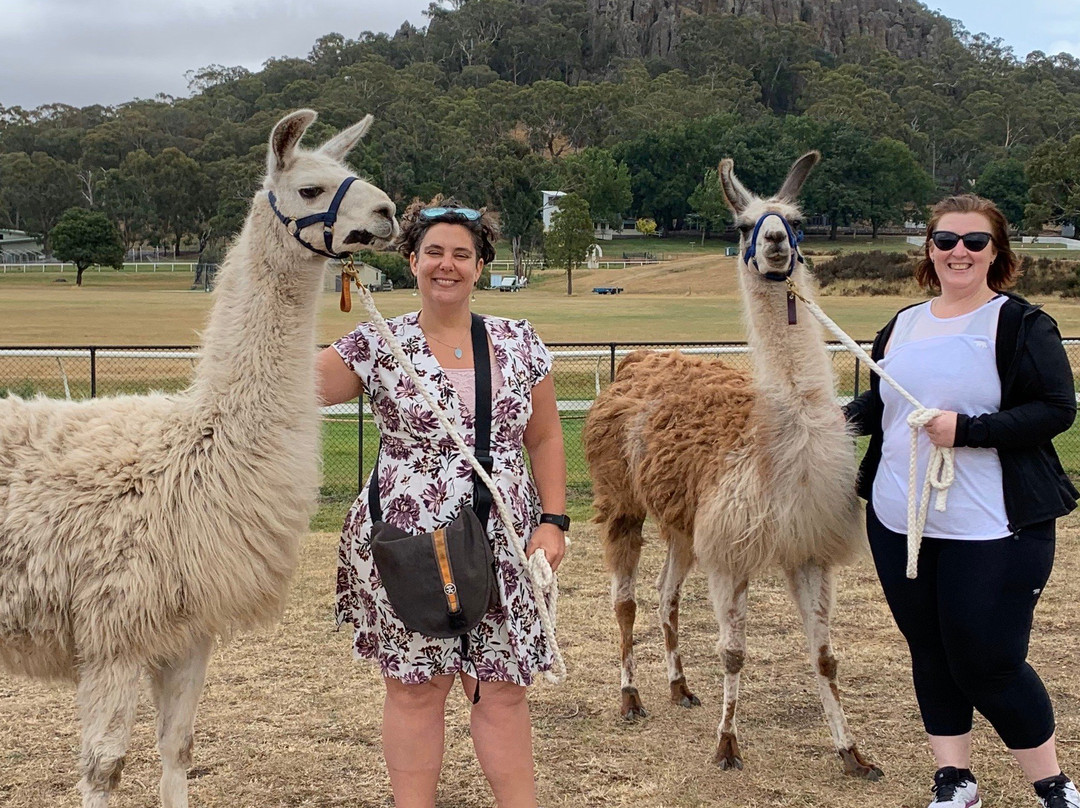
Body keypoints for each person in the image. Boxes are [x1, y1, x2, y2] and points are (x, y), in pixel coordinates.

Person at [316, 199, 568, 808]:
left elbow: (545, 434)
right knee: (415, 689)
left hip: (503, 538)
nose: (446, 265)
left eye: (462, 254)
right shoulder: (378, 343)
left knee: (502, 688)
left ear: (481, 265)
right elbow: (290, 387)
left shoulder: (518, 341)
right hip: (410, 542)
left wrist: (554, 522)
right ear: (411, 261)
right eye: (434, 252)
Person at [844, 194, 1080, 808]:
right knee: (931, 648)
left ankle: (1052, 783)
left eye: (975, 241)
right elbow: (885, 407)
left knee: (988, 658)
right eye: (946, 240)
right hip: (901, 519)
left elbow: (1056, 409)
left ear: (996, 251)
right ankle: (955, 778)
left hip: (994, 523)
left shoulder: (1019, 324)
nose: (959, 252)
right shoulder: (900, 325)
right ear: (929, 249)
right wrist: (830, 420)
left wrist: (969, 429)